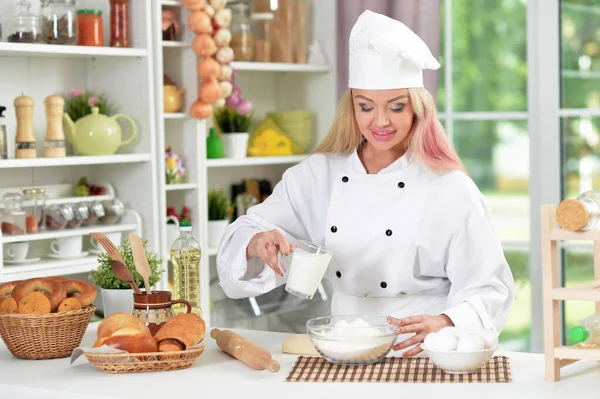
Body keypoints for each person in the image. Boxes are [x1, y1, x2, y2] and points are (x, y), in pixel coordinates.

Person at [216, 10, 515, 358]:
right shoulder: (318, 175)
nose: (381, 121)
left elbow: (490, 287)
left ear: (417, 109)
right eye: (366, 106)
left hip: (422, 349)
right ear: (351, 107)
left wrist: (446, 321)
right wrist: (256, 242)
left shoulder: (450, 188)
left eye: (397, 106)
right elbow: (246, 230)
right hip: (342, 343)